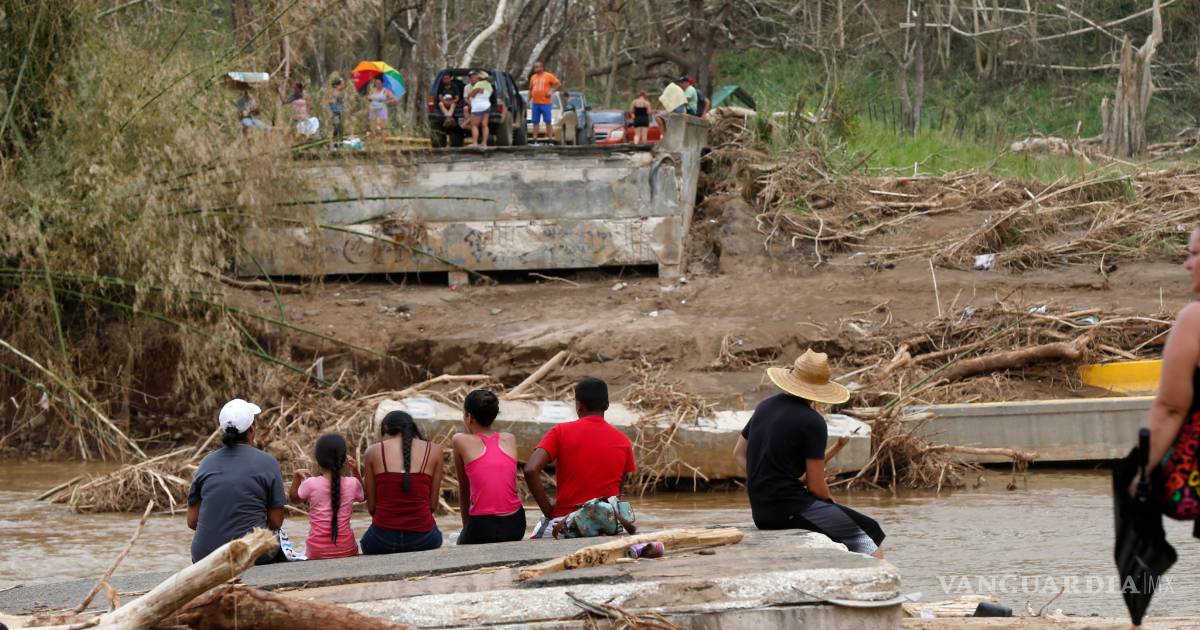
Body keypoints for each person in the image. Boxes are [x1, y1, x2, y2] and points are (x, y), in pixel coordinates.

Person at [733, 349, 886, 558]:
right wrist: (830, 502)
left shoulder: (765, 406)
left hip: (761, 511)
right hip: (789, 509)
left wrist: (764, 479)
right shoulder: (813, 422)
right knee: (869, 532)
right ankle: (876, 576)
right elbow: (816, 487)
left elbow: (738, 453)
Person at [524, 377, 636, 538]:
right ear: (607, 405)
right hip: (607, 525)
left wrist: (549, 511)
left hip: (566, 522)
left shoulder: (560, 432)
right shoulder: (623, 441)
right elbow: (617, 493)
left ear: (578, 405)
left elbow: (530, 470)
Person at [1145, 227, 1200, 534]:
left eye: (1194, 254)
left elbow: (1170, 409)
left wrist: (1140, 471)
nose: (1187, 264)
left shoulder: (1195, 321)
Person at [187, 398, 286, 563]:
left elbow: (192, 522)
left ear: (223, 430)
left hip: (204, 557)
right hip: (252, 554)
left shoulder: (206, 463)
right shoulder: (268, 462)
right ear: (252, 429)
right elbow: (276, 522)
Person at [360, 410, 444, 553]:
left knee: (366, 541)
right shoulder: (435, 450)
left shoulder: (372, 452)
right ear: (412, 429)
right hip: (425, 539)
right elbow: (432, 506)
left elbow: (372, 508)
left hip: (381, 541)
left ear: (385, 430)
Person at [451, 389, 526, 544]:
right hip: (516, 524)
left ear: (469, 417)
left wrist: (466, 529)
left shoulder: (459, 440)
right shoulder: (509, 439)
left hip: (483, 526)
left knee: (456, 541)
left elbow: (464, 489)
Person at [289, 433, 365, 560]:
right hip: (347, 549)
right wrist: (356, 471)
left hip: (317, 552)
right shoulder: (352, 483)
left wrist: (296, 477)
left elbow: (294, 499)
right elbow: (363, 496)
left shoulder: (310, 484)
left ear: (318, 460)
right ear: (343, 460)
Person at [528, 61, 560, 141]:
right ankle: (534, 139)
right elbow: (530, 89)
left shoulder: (548, 76)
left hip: (545, 103)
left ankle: (550, 139)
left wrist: (551, 91)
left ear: (542, 67)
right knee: (535, 122)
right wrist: (528, 100)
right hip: (535, 103)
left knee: (548, 121)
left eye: (537, 67)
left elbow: (558, 84)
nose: (536, 68)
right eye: (535, 67)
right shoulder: (533, 77)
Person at [466, 71, 493, 147]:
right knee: (485, 125)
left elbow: (471, 94)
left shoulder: (479, 84)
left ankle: (475, 143)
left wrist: (469, 95)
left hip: (478, 106)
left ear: (479, 77)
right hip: (487, 105)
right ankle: (484, 143)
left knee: (474, 125)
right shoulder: (489, 85)